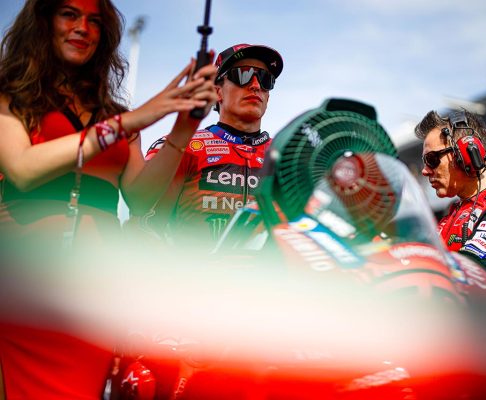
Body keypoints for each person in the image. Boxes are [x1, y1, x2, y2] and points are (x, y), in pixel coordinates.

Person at [0, 0, 217, 397]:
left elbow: (140, 198)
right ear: (43, 23)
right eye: (69, 14)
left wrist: (183, 128)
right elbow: (23, 169)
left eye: (94, 21)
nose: (82, 28)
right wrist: (130, 121)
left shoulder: (112, 114)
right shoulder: (10, 99)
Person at [145, 43, 283, 249]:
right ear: (218, 91)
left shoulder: (285, 157)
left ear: (268, 96)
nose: (256, 85)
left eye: (265, 79)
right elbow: (145, 225)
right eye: (243, 74)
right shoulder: (183, 146)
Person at [414, 110, 486, 305]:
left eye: (432, 159)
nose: (425, 171)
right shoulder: (451, 213)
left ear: (468, 153)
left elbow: (469, 272)